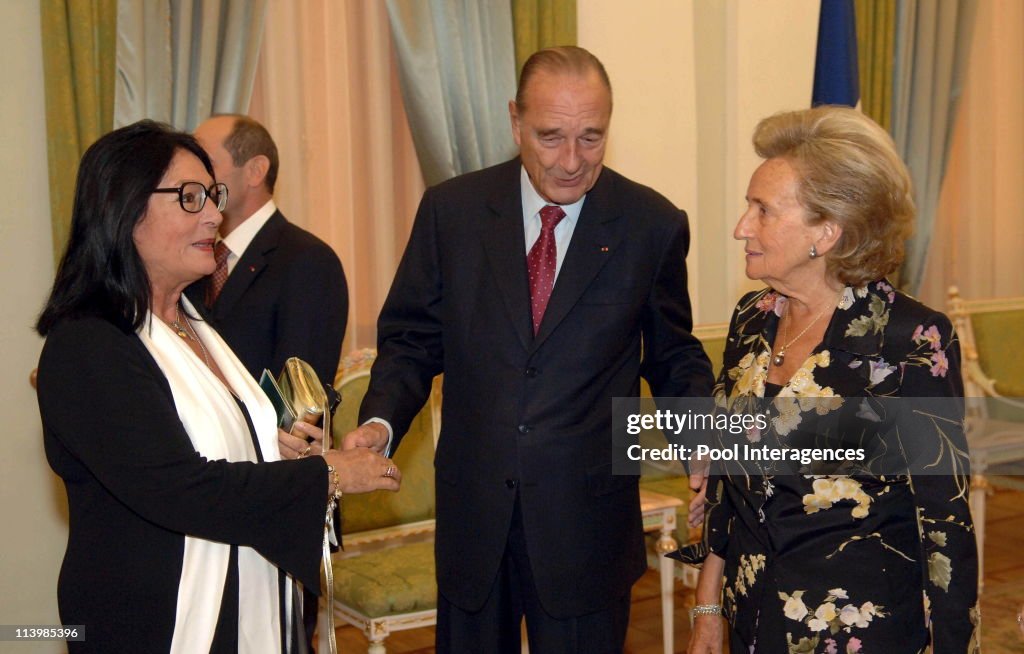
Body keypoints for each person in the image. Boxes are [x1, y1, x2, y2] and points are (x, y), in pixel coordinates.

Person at [342, 46, 714, 653]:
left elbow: (675, 354)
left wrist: (701, 443)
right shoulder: (453, 212)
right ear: (515, 121)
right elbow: (411, 339)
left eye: (591, 138)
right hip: (475, 516)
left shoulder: (650, 224)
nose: (571, 161)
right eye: (550, 137)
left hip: (585, 524)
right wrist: (381, 420)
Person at [34, 120, 400, 653]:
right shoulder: (89, 342)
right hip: (152, 620)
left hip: (246, 603)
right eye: (189, 197)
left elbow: (208, 439)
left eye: (213, 195)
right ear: (125, 209)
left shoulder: (194, 322)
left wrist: (268, 445)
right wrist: (328, 474)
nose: (213, 214)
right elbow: (181, 488)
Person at [677, 106, 979, 653]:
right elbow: (727, 486)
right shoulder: (752, 319)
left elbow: (945, 528)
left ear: (827, 231)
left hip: (859, 632)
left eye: (763, 210)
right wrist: (706, 607)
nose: (741, 227)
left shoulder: (910, 343)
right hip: (753, 618)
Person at [187, 114, 347, 387]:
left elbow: (299, 394)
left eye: (206, 164)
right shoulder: (194, 258)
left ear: (255, 171)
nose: (195, 178)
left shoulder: (307, 260)